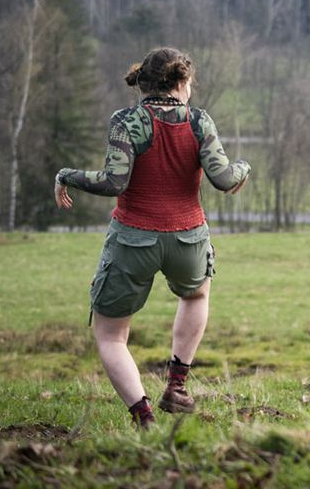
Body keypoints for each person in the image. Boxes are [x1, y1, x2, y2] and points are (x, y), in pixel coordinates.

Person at [54, 47, 250, 428]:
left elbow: (114, 182)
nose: (190, 90)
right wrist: (244, 167)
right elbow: (225, 179)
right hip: (188, 239)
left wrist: (66, 174)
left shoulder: (126, 121)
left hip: (133, 239)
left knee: (110, 335)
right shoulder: (199, 122)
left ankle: (143, 416)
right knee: (196, 295)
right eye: (189, 83)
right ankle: (177, 385)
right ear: (179, 83)